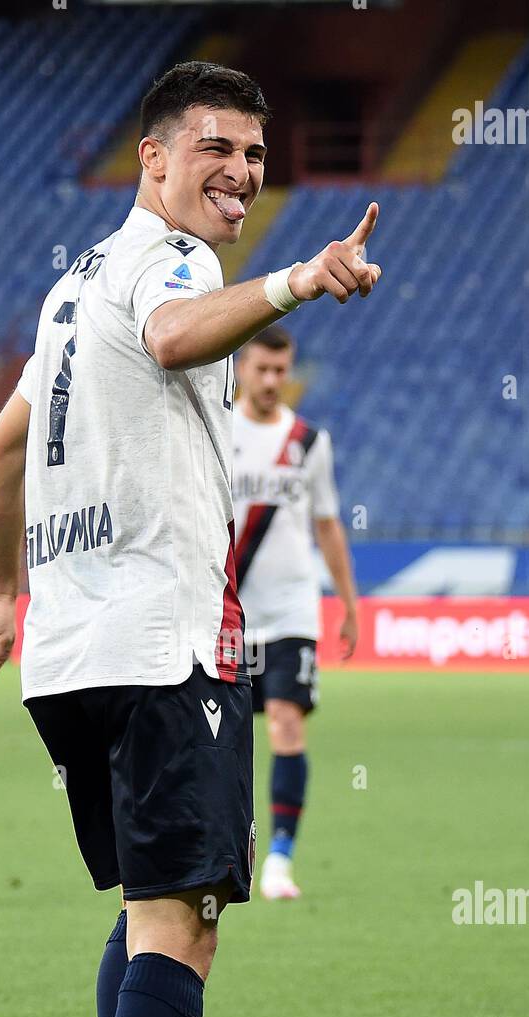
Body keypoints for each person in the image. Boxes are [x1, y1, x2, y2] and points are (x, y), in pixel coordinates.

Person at [0, 59, 381, 1017]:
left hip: (69, 652)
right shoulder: (172, 266)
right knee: (180, 920)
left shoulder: (73, 282)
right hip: (158, 641)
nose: (238, 171)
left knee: (150, 908)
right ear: (154, 156)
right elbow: (186, 331)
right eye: (215, 147)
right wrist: (299, 276)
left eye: (253, 151)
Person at [232, 327, 359, 899]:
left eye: (281, 371)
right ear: (239, 367)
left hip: (290, 613)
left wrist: (349, 604)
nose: (271, 381)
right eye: (261, 369)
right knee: (222, 738)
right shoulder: (212, 430)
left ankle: (280, 858)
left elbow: (327, 524)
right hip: (225, 615)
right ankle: (232, 847)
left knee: (286, 721)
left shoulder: (309, 444)